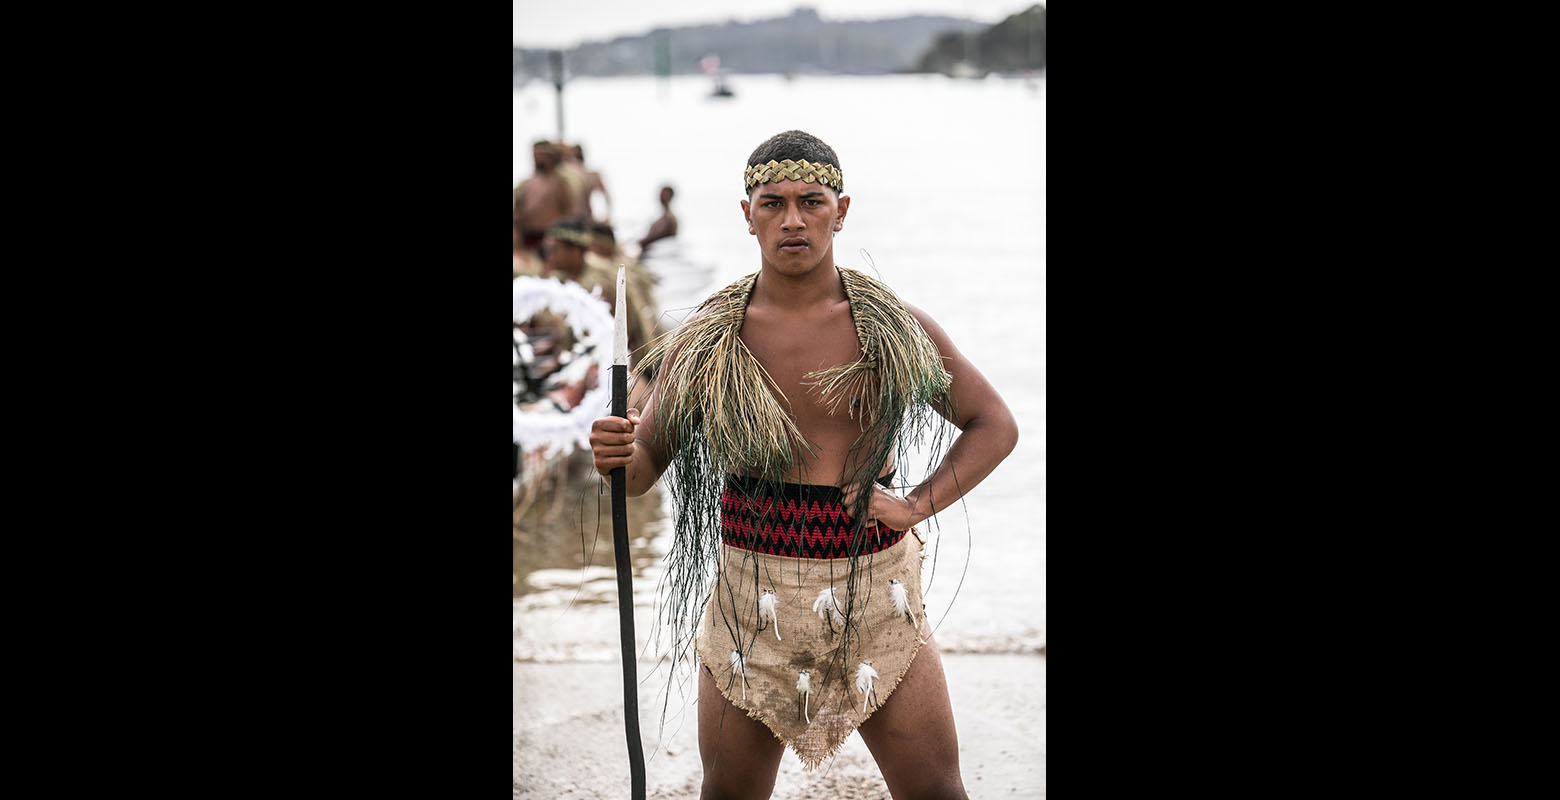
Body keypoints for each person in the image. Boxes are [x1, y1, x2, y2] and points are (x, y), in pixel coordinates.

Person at [588, 130, 1017, 799]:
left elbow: (994, 425)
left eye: (811, 201)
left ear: (840, 211)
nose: (792, 219)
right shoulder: (709, 338)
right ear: (747, 213)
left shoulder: (893, 328)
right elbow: (644, 467)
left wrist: (914, 506)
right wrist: (615, 454)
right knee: (729, 792)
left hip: (874, 590)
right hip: (746, 599)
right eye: (773, 203)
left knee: (935, 788)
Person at [637, 184, 678, 256]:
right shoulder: (663, 217)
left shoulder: (670, 218)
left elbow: (659, 238)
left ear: (670, 197)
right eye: (661, 193)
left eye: (664, 194)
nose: (661, 196)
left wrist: (642, 242)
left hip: (659, 255)